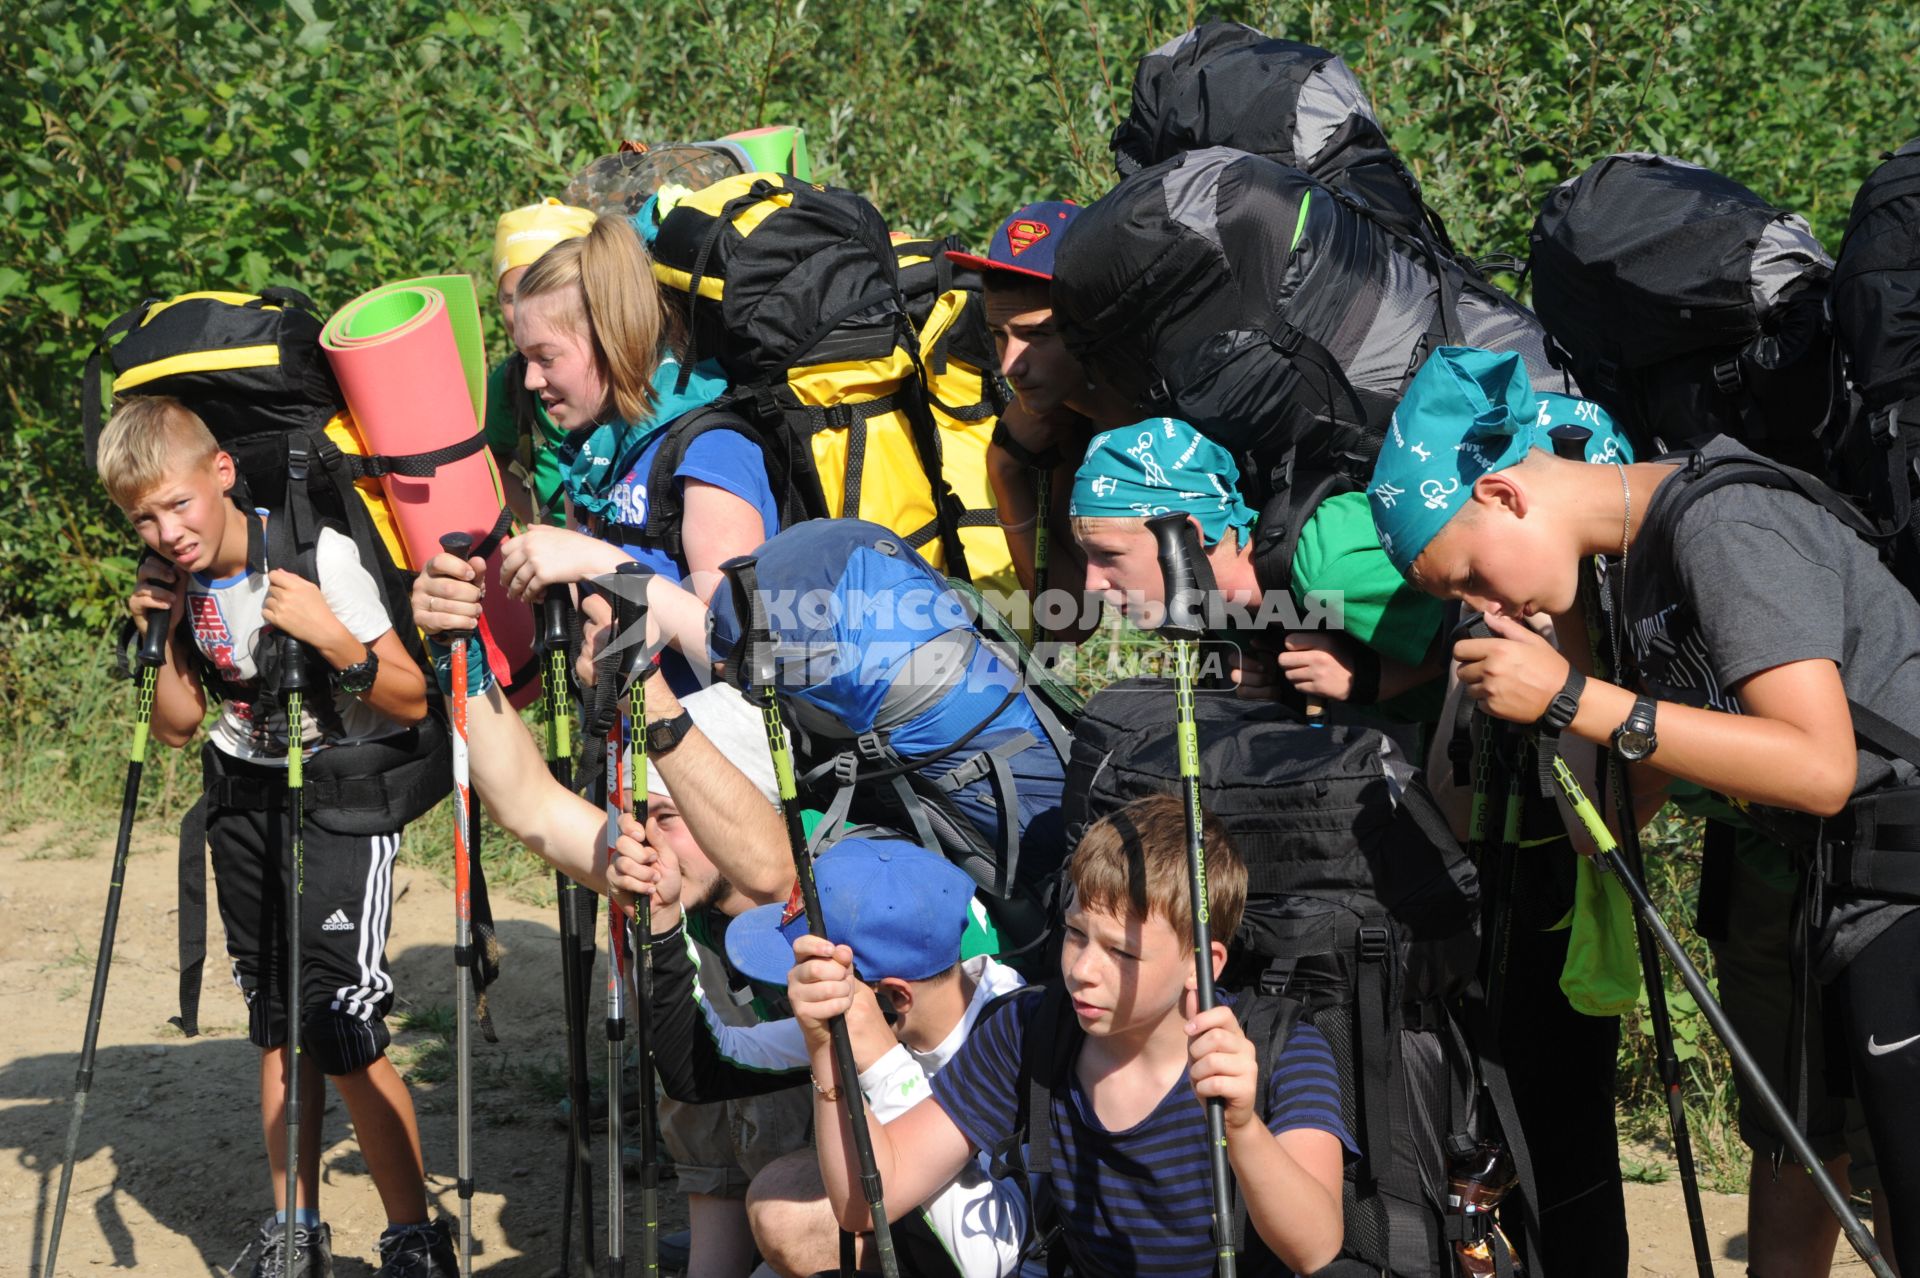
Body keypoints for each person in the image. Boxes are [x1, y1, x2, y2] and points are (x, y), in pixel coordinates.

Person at [1368, 344, 1913, 1262]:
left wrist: (1576, 698)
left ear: (1503, 495)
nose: (1483, 611)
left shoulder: (1723, 525)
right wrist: (1576, 641)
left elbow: (1821, 765)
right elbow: (1602, 826)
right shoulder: (1638, 569)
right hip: (1843, 888)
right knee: (1801, 1150)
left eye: (1468, 578)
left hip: (1898, 869)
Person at [98, 395, 452, 1277]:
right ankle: (296, 1230)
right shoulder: (177, 585)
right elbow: (179, 724)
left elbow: (409, 698)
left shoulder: (315, 553)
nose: (168, 530)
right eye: (144, 516)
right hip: (241, 797)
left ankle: (412, 1235)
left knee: (337, 1019)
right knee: (276, 1020)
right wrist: (163, 629)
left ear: (220, 474)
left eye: (178, 503)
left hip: (337, 798)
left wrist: (333, 639)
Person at [789, 793, 1351, 1276]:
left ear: (1202, 964)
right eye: (1077, 934)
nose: (1083, 968)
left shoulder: (1282, 1050)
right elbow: (867, 1200)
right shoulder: (1032, 1030)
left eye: (1122, 952)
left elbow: (1315, 1247)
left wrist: (1244, 1127)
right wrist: (826, 1050)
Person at [613, 833, 1028, 1278]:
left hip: (967, 1254)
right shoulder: (880, 1012)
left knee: (792, 1222)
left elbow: (988, 1258)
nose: (791, 991)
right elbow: (702, 1071)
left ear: (892, 997)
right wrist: (659, 928)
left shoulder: (1018, 1038)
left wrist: (883, 1065)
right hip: (899, 1227)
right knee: (779, 1218)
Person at [1067, 415, 1447, 724]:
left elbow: (1488, 617)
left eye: (1109, 555)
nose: (1092, 583)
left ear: (1187, 537)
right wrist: (1271, 693)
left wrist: (1370, 678)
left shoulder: (1330, 568)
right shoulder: (1220, 608)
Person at [952, 201, 1139, 640]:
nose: (1010, 366)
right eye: (1000, 335)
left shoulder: (1175, 409)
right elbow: (1070, 620)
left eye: (1038, 334)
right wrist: (1004, 468)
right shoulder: (1065, 423)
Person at [485, 197, 595, 526]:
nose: (522, 309)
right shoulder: (510, 382)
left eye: (538, 291)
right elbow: (493, 453)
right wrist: (538, 519)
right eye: (510, 297)